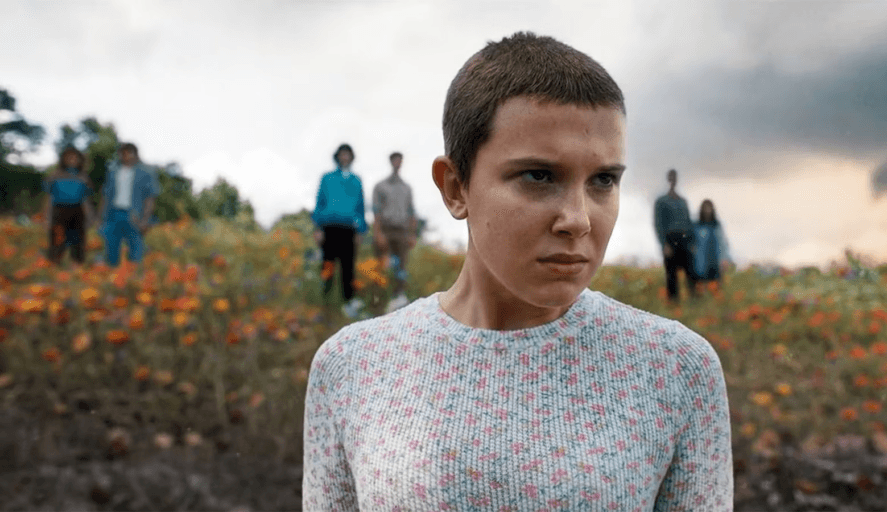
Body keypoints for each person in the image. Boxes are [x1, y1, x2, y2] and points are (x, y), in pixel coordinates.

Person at [303, 32, 733, 510]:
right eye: (539, 176)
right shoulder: (351, 367)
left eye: (603, 180)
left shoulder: (677, 369)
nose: (578, 220)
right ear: (455, 187)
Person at [311, 143, 367, 318]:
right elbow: (320, 202)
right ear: (337, 157)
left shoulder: (356, 180)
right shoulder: (327, 178)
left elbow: (361, 207)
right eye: (342, 154)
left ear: (351, 157)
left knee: (348, 267)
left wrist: (361, 230)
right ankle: (326, 300)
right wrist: (317, 227)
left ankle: (348, 302)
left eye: (347, 154)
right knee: (327, 264)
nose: (345, 157)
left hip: (349, 229)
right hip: (329, 227)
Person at [98, 143, 159, 268]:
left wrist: (145, 219)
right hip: (113, 214)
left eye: (129, 153)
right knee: (111, 250)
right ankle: (112, 274)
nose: (126, 156)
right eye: (123, 153)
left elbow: (150, 198)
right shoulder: (113, 171)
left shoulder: (146, 172)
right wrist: (100, 217)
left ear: (135, 154)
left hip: (134, 215)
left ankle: (135, 276)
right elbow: (105, 195)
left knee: (136, 250)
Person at [371, 151, 418, 313]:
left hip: (402, 232)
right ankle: (378, 302)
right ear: (391, 162)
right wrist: (378, 233)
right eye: (395, 160)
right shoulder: (380, 186)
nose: (398, 163)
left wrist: (412, 234)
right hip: (386, 230)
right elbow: (376, 211)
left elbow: (411, 212)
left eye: (400, 160)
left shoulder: (406, 188)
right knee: (382, 266)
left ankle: (398, 302)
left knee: (401, 268)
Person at [43, 146, 96, 264]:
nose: (72, 160)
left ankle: (77, 265)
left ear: (79, 160)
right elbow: (49, 197)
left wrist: (90, 216)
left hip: (77, 211)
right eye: (69, 157)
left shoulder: (83, 177)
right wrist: (46, 217)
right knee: (57, 239)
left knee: (78, 240)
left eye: (74, 157)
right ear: (63, 159)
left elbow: (85, 199)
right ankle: (53, 264)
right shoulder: (54, 176)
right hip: (59, 211)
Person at [654, 168, 696, 301]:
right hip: (671, 239)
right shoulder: (662, 201)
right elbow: (659, 224)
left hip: (685, 238)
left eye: (675, 177)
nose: (673, 180)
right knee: (671, 273)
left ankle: (694, 299)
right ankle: (673, 302)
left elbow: (689, 222)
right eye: (671, 177)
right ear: (668, 179)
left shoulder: (682, 201)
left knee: (691, 271)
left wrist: (692, 241)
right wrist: (664, 244)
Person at [690, 199, 731, 297]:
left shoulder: (716, 225)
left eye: (709, 208)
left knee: (715, 289)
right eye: (705, 208)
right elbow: (691, 243)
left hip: (715, 262)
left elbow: (722, 243)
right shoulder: (696, 225)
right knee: (701, 289)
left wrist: (724, 259)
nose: (707, 211)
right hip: (700, 263)